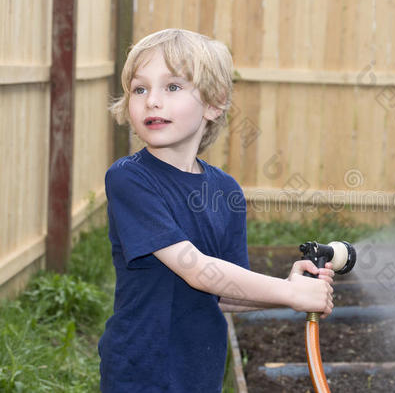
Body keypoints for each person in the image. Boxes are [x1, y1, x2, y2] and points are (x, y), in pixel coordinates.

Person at [98, 28, 335, 392]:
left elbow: (225, 293)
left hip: (200, 370)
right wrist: (288, 293)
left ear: (214, 102)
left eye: (172, 87)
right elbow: (198, 270)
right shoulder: (130, 180)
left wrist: (290, 287)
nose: (152, 101)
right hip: (140, 369)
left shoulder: (226, 192)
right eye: (139, 88)